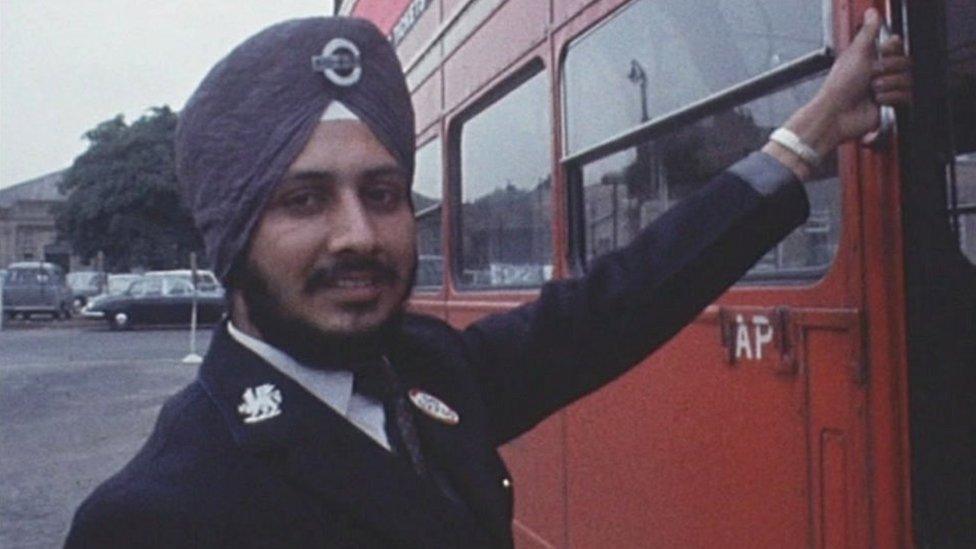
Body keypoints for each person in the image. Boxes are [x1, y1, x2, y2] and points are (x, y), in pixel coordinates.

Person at [65, 9, 911, 549]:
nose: (358, 233)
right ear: (231, 236)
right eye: (305, 199)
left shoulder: (427, 370)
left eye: (384, 193)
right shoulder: (156, 515)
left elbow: (617, 304)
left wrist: (805, 137)